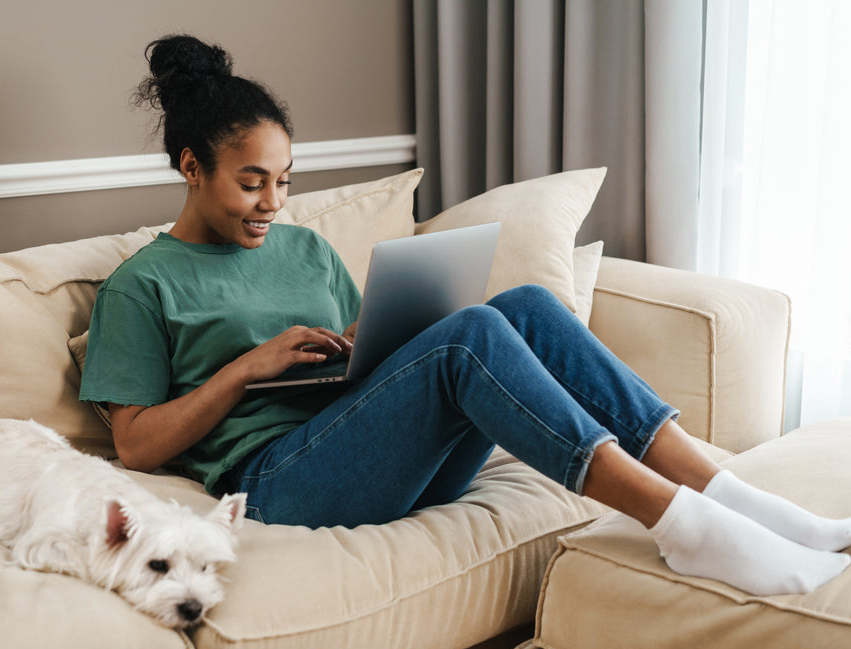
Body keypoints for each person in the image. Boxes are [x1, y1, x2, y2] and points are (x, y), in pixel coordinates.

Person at [80, 34, 851, 597]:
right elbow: (136, 443)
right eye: (253, 184)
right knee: (477, 335)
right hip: (279, 480)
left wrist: (365, 342)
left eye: (284, 180)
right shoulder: (143, 286)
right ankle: (685, 527)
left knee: (524, 306)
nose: (273, 204)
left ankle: (727, 495)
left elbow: (371, 361)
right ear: (191, 167)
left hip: (378, 450)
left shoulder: (304, 249)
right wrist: (250, 365)